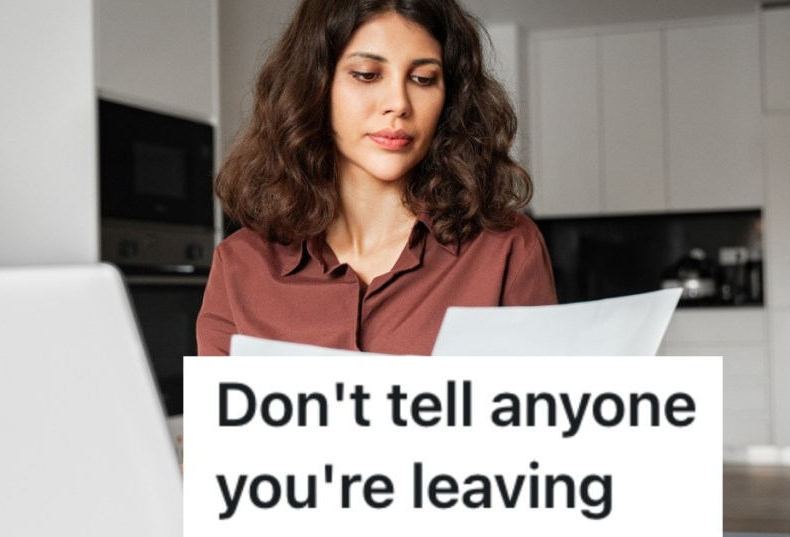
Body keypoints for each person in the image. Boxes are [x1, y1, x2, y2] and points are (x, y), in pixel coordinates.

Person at [197, 0, 556, 356]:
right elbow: (217, 414)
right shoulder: (239, 266)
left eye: (423, 78)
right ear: (315, 85)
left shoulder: (508, 249)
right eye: (367, 74)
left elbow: (539, 408)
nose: (398, 102)